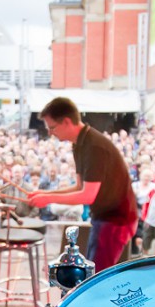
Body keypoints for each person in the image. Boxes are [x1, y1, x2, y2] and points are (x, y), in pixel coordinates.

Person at [28, 97, 137, 271]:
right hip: (104, 217)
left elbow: (87, 195)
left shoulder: (94, 146)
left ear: (66, 122)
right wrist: (45, 194)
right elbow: (79, 186)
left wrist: (48, 199)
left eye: (52, 127)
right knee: (92, 272)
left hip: (116, 219)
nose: (50, 132)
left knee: (97, 276)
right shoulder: (79, 143)